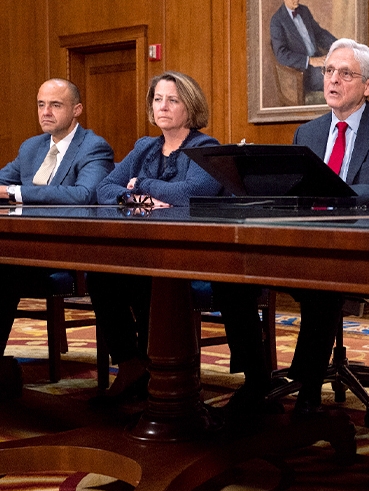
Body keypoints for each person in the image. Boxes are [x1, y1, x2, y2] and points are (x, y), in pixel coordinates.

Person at [216, 38, 369, 418]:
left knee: (322, 284)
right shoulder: (307, 133)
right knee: (230, 277)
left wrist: (338, 193)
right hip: (300, 244)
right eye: (328, 71)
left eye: (345, 73)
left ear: (367, 85)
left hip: (354, 248)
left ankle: (307, 390)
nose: (333, 80)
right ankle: (257, 378)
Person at [88, 71, 222, 403]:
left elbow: (194, 193)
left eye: (172, 100)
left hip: (190, 255)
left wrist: (141, 186)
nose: (162, 106)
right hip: (145, 251)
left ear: (189, 107)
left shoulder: (205, 147)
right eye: (158, 99)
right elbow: (104, 188)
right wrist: (139, 199)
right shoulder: (145, 147)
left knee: (152, 280)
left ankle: (164, 375)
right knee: (101, 275)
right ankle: (132, 365)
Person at [0, 78, 114, 399]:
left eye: (55, 105)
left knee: (4, 271)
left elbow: (84, 194)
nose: (45, 112)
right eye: (40, 104)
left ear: (77, 110)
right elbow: (2, 180)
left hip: (70, 254)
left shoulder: (93, 147)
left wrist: (16, 192)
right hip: (27, 248)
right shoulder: (31, 147)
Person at [270, 0, 337, 95]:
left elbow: (319, 34)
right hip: (303, 73)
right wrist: (310, 60)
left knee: (347, 70)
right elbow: (281, 55)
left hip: (319, 59)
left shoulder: (304, 11)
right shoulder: (277, 21)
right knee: (338, 80)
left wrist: (339, 45)